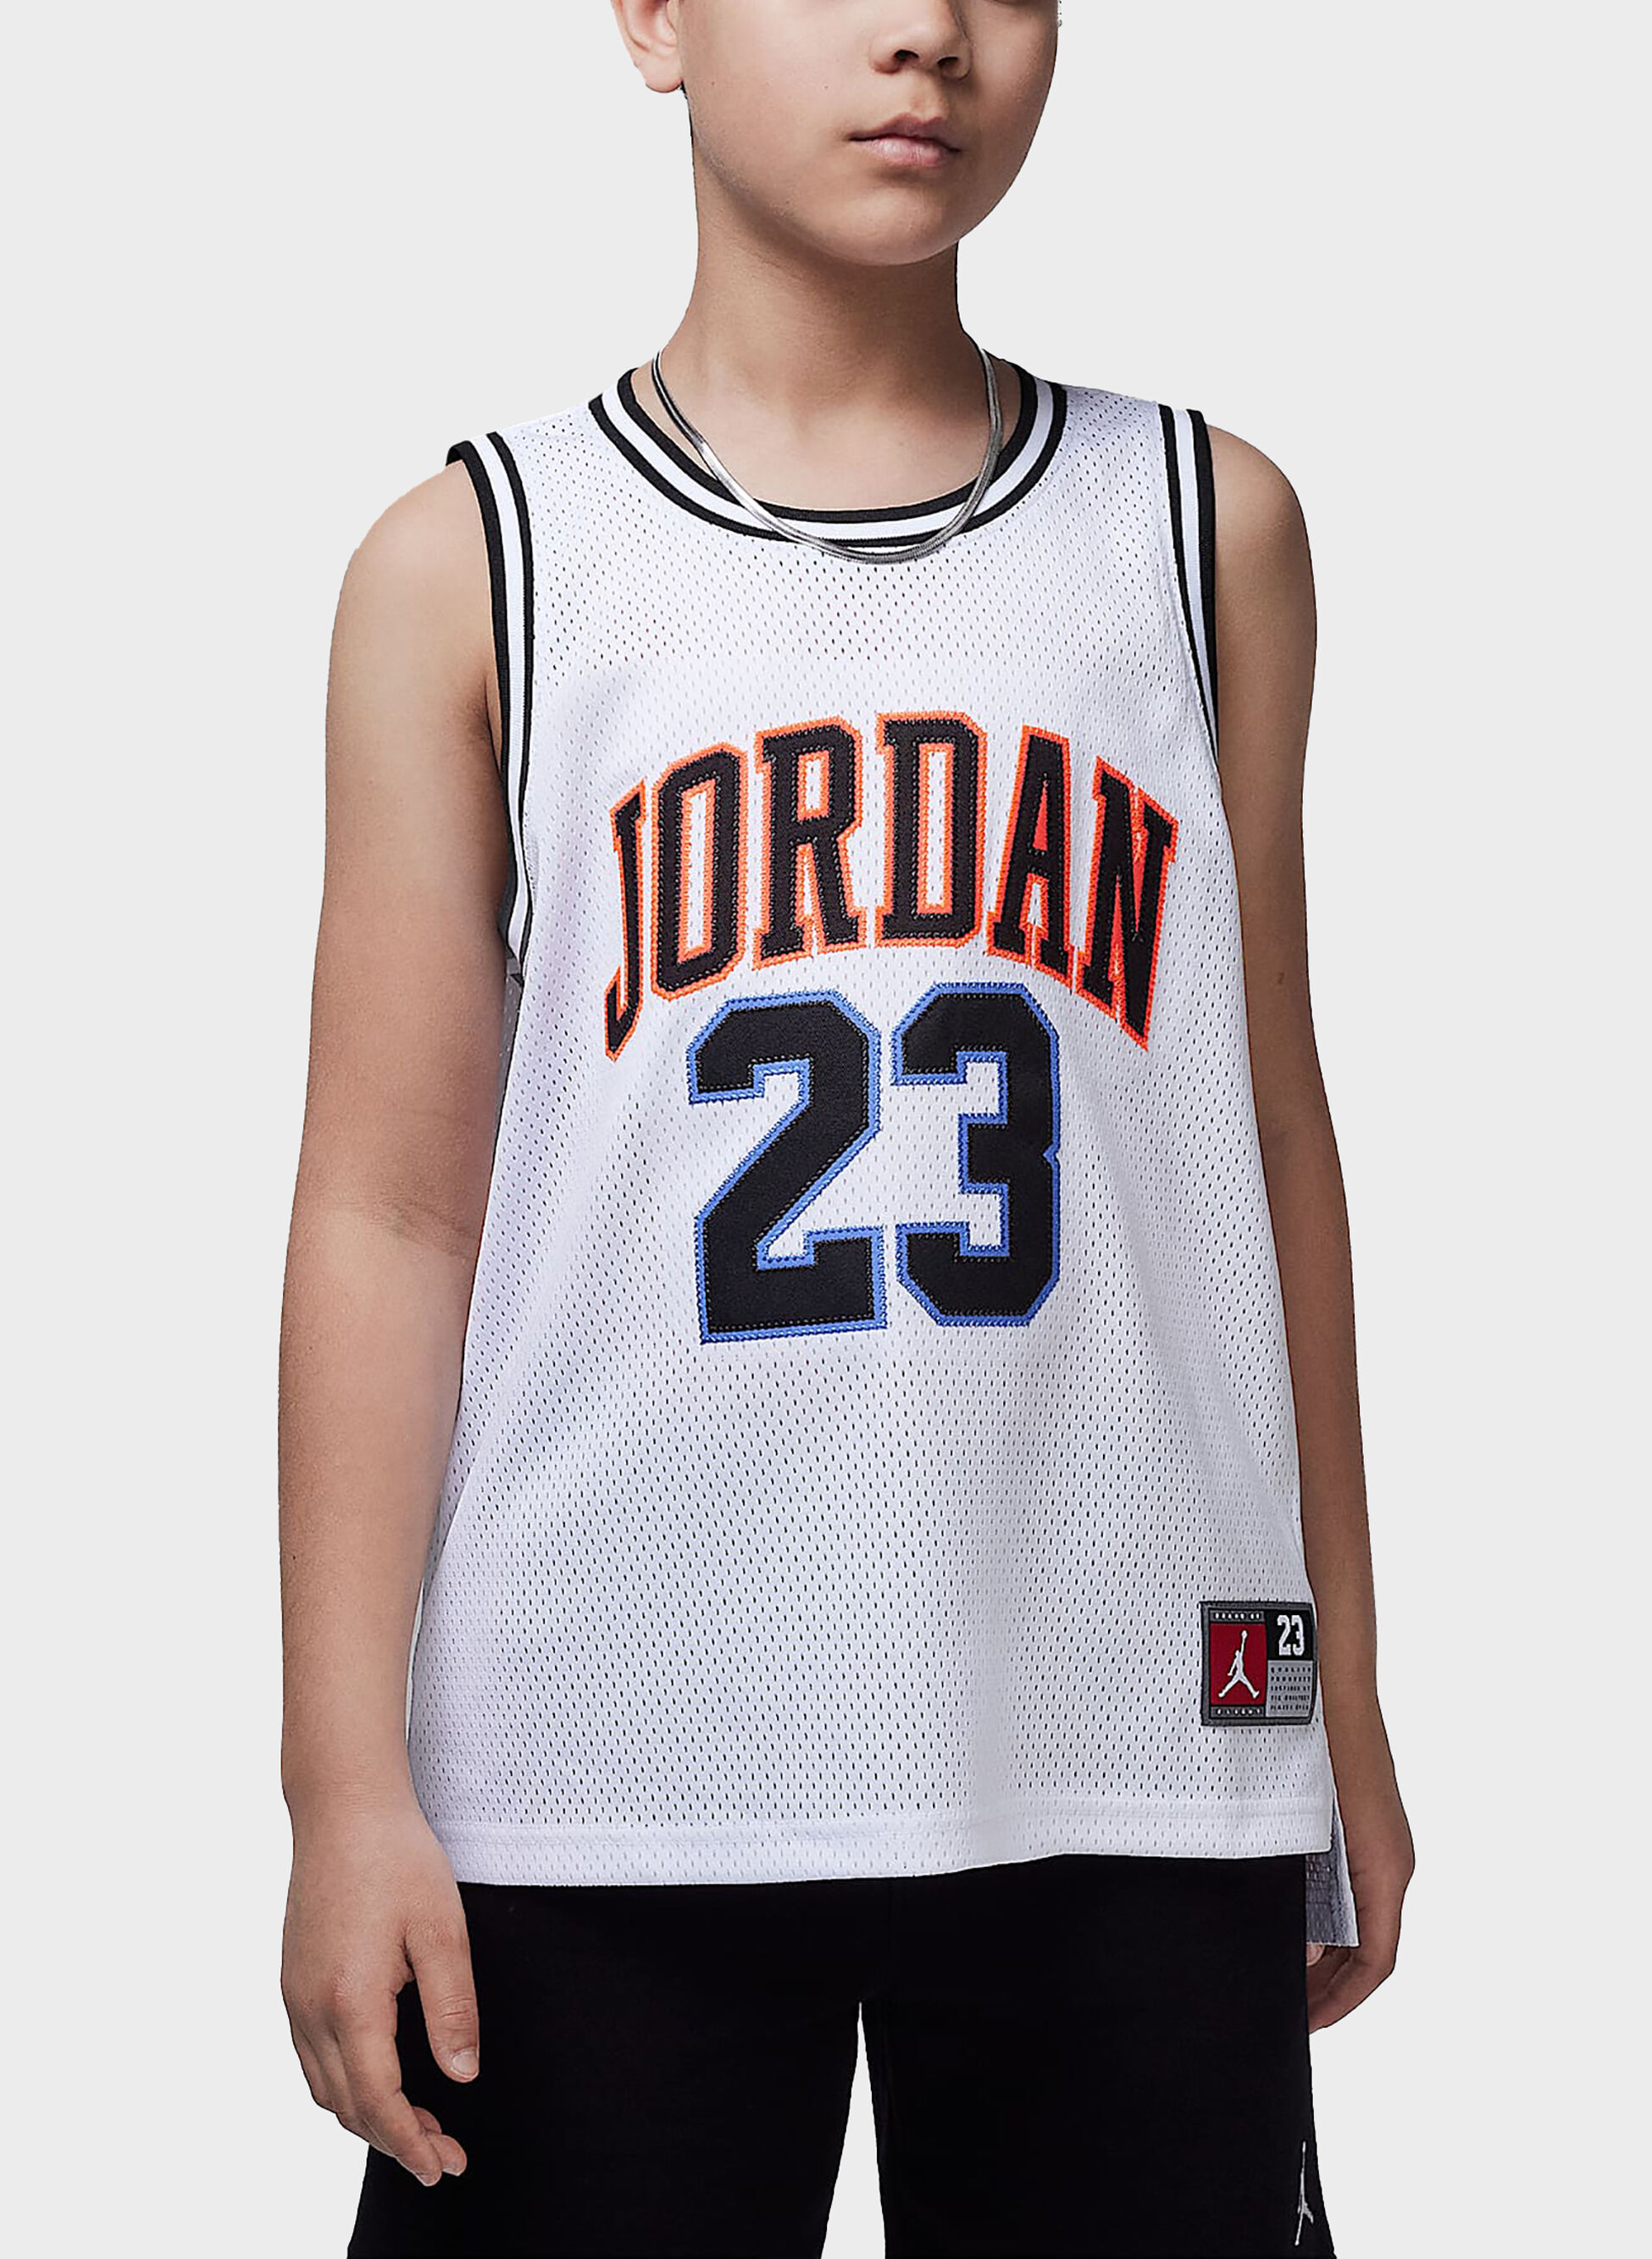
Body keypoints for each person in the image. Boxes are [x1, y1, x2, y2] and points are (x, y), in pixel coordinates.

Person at [277, 3, 1414, 2253]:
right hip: (607, 1746)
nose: (928, 35)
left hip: (1125, 1731)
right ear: (654, 16)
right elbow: (392, 1212)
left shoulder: (1203, 529)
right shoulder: (478, 559)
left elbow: (1264, 1139)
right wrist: (339, 1780)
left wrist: (1340, 1700)